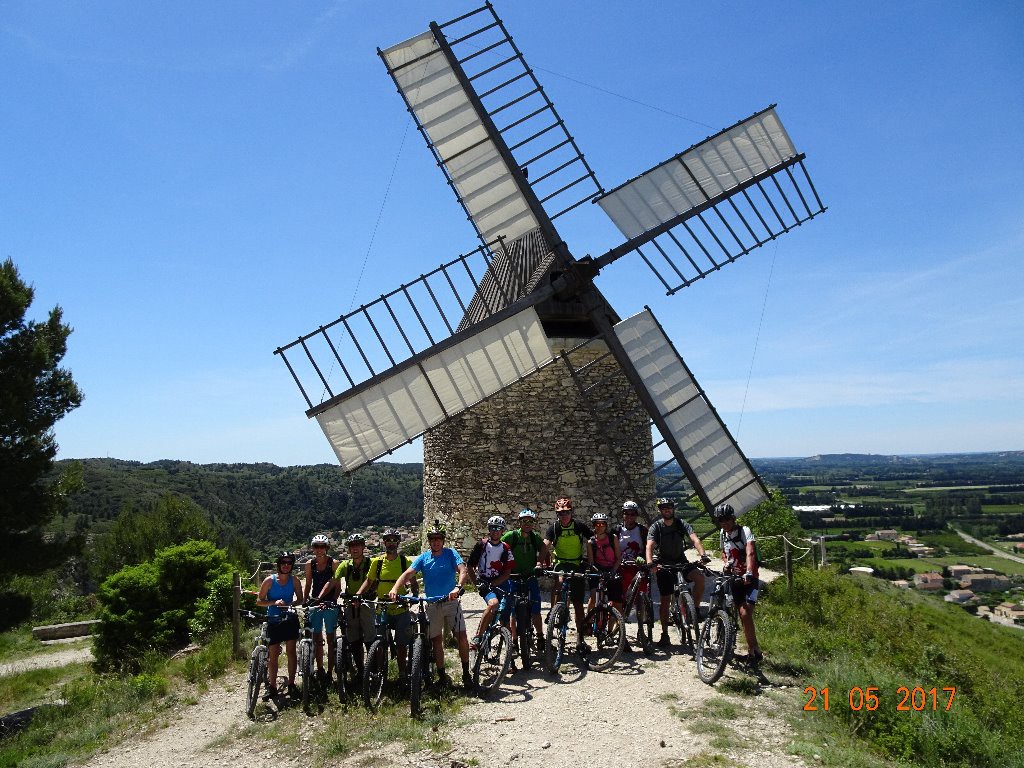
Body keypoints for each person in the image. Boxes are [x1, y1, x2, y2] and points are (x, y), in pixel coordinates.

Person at [390, 521, 473, 689]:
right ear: (429, 541)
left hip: (450, 602)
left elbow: (463, 570)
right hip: (432, 604)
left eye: (439, 539)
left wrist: (458, 587)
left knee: (461, 637)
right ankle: (442, 675)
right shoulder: (424, 558)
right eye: (432, 539)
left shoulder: (451, 554)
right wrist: (395, 588)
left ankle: (466, 673)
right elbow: (408, 573)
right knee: (436, 641)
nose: (436, 542)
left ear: (443, 540)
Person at [646, 498, 710, 647]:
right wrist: (650, 563)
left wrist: (703, 555)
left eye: (669, 507)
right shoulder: (656, 527)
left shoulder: (681, 524)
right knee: (665, 600)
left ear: (673, 509)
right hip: (664, 565)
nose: (667, 510)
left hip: (681, 562)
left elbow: (694, 539)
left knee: (700, 578)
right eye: (663, 508)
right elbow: (649, 546)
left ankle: (695, 610)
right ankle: (664, 634)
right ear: (660, 510)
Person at [353, 528, 416, 678]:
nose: (391, 543)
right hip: (382, 607)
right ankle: (381, 673)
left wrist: (414, 595)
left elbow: (413, 582)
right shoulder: (377, 562)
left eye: (394, 540)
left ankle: (402, 673)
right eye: (388, 540)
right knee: (380, 643)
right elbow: (369, 581)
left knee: (402, 644)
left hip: (401, 607)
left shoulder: (405, 561)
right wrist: (357, 595)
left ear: (398, 542)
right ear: (384, 542)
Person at [712, 503, 763, 665]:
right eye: (721, 520)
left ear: (733, 518)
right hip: (734, 578)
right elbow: (724, 552)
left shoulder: (744, 531)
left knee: (745, 614)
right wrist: (726, 563)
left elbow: (750, 552)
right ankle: (727, 639)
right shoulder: (722, 533)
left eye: (727, 519)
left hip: (750, 579)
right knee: (729, 606)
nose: (724, 523)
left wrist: (748, 571)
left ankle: (754, 650)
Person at [543, 496, 593, 653]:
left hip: (576, 564)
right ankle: (554, 611)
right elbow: (545, 545)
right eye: (560, 513)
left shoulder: (579, 526)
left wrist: (592, 561)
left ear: (571, 512)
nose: (563, 516)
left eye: (566, 513)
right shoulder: (554, 528)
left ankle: (580, 639)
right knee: (559, 580)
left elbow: (593, 540)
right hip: (561, 562)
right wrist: (539, 562)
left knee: (578, 603)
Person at [500, 509, 549, 659]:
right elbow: (499, 549)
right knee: (514, 612)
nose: (527, 524)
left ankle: (540, 637)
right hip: (513, 577)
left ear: (533, 523)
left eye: (530, 521)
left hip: (530, 576)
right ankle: (514, 642)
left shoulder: (535, 537)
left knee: (535, 608)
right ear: (519, 522)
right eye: (524, 521)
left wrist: (544, 564)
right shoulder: (511, 536)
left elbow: (544, 548)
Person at [256, 551, 302, 698]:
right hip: (273, 619)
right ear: (279, 564)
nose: (286, 566)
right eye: (283, 563)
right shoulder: (269, 581)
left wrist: (290, 604)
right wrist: (273, 603)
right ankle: (272, 686)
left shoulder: (294, 580)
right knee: (273, 654)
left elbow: (300, 599)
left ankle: (291, 684)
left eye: (289, 563)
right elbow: (259, 601)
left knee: (291, 652)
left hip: (289, 618)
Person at [467, 515, 516, 652]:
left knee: (507, 615)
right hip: (484, 582)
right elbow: (469, 566)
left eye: (498, 529)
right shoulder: (481, 545)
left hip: (500, 582)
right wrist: (476, 583)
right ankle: (478, 636)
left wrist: (494, 584)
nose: (495, 531)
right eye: (493, 528)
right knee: (493, 604)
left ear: (502, 531)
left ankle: (508, 651)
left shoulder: (505, 548)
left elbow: (507, 573)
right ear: (489, 529)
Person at [332, 532, 374, 678]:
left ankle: (373, 670)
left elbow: (372, 581)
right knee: (354, 640)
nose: (355, 549)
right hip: (351, 604)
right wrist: (318, 598)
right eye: (352, 546)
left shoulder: (370, 564)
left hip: (367, 603)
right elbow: (332, 582)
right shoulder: (345, 565)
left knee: (370, 638)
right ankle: (361, 670)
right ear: (349, 549)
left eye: (358, 545)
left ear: (363, 547)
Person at [304, 533, 338, 680]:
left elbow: (337, 586)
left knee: (330, 639)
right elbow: (308, 584)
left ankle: (330, 671)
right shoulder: (309, 564)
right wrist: (305, 601)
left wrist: (334, 601)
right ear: (313, 548)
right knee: (317, 638)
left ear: (326, 548)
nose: (319, 550)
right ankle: (320, 669)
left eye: (322, 547)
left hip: (329, 603)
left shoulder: (334, 563)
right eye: (316, 547)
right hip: (314, 603)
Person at [616, 500, 649, 617]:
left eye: (632, 513)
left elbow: (648, 547)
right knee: (621, 596)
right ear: (623, 514)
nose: (629, 516)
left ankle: (642, 618)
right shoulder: (617, 530)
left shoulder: (642, 530)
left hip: (638, 567)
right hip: (622, 567)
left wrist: (644, 558)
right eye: (627, 513)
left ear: (636, 515)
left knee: (641, 592)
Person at [586, 512, 622, 614]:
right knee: (594, 598)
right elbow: (591, 562)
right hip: (597, 570)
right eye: (597, 524)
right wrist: (598, 571)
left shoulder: (612, 538)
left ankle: (612, 629)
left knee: (617, 602)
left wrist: (613, 570)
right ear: (594, 525)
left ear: (606, 525)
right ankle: (588, 624)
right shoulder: (590, 542)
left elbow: (618, 557)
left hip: (612, 570)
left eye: (602, 524)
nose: (600, 527)